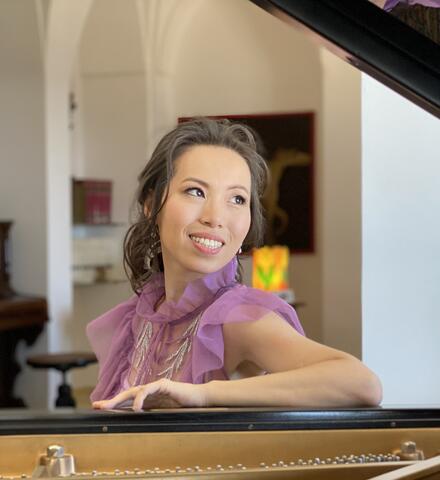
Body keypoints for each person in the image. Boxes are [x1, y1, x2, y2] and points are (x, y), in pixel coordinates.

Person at [88, 117, 382, 411]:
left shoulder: (239, 318)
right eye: (195, 191)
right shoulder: (137, 317)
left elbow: (361, 383)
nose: (215, 217)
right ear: (151, 205)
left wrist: (204, 394)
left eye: (237, 199)